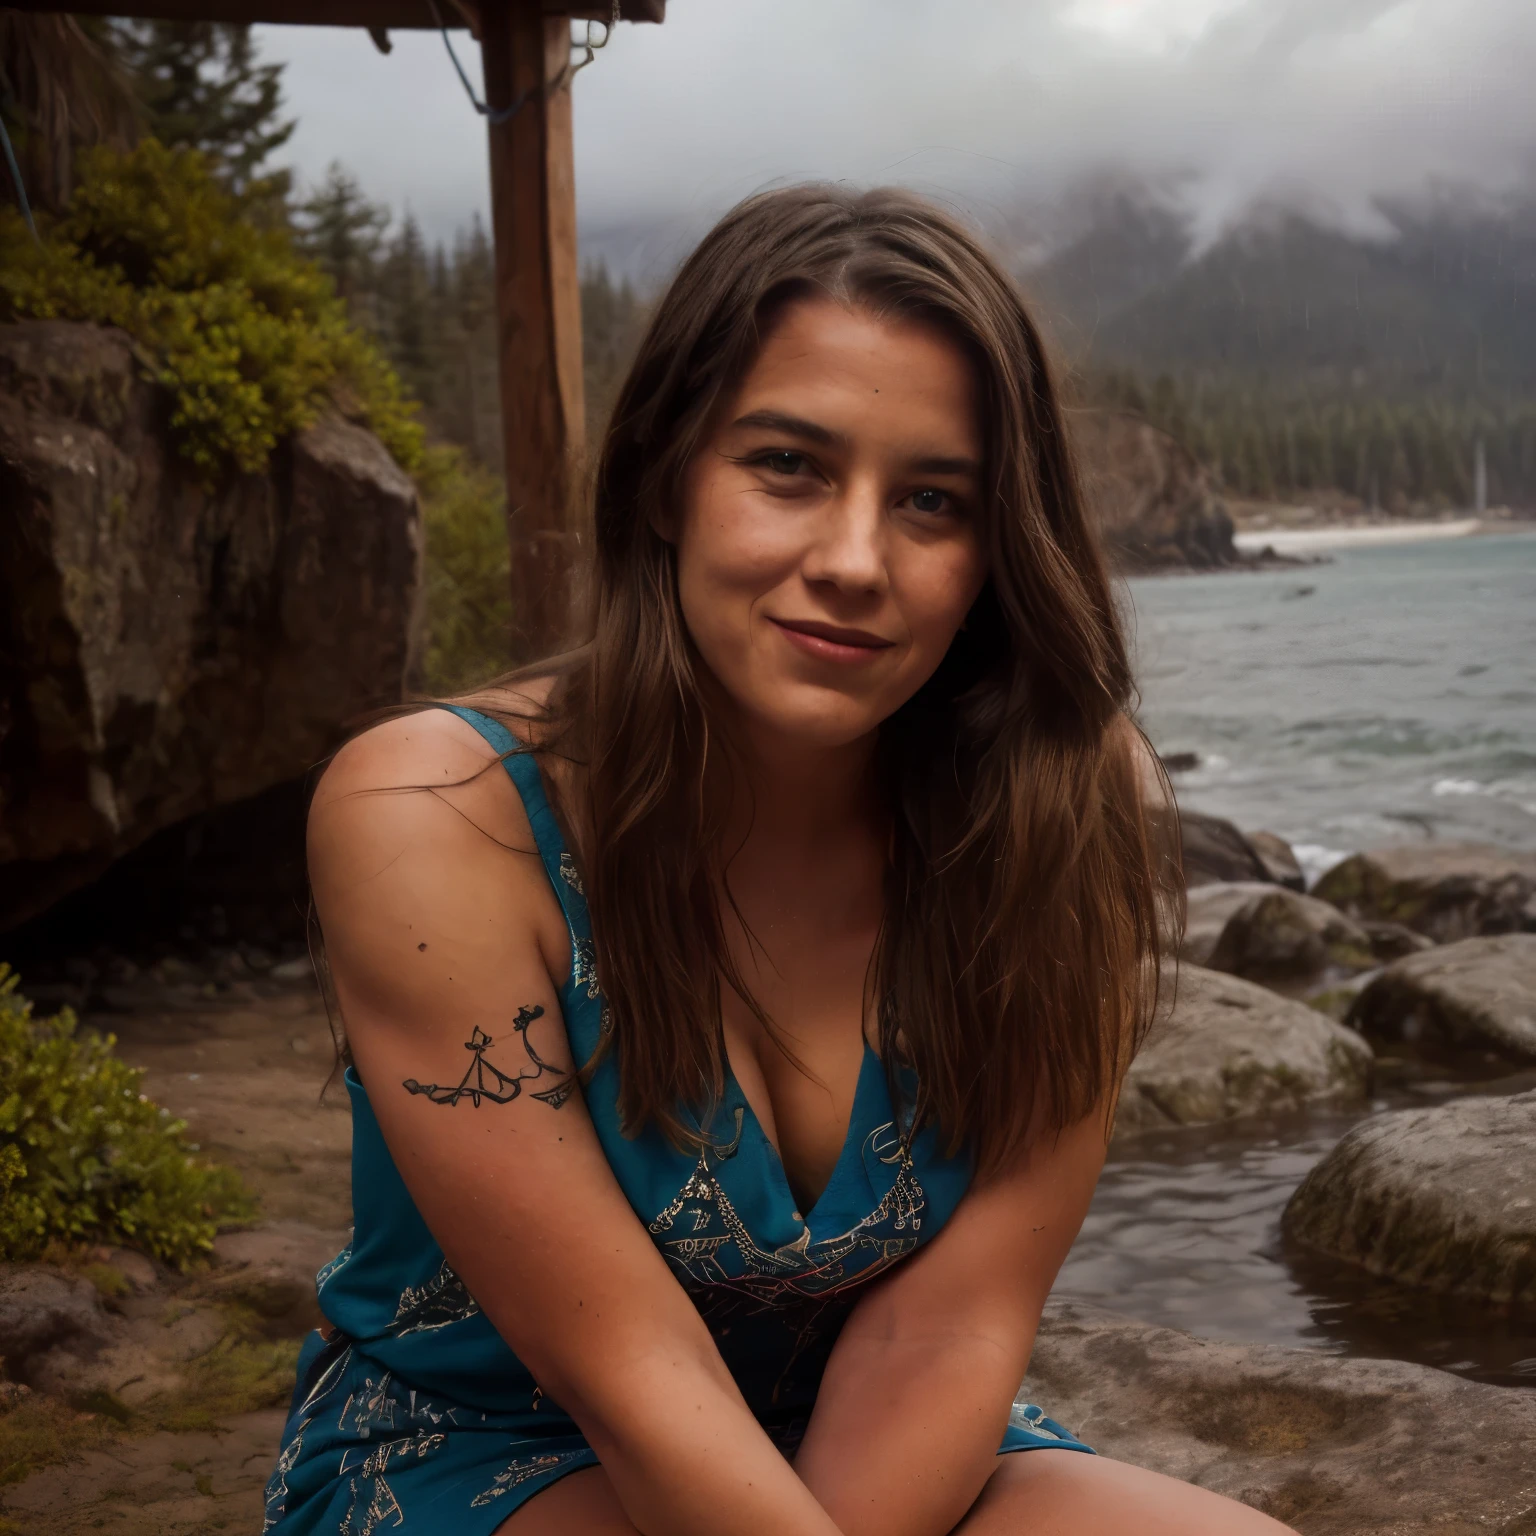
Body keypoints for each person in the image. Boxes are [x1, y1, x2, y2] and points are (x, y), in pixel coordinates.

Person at [264, 185, 1295, 1536]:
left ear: (997, 552)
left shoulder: (1066, 807)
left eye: (933, 500)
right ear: (664, 479)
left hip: (881, 1437)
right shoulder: (439, 813)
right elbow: (623, 1372)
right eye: (789, 467)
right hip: (500, 1441)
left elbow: (952, 1323)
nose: (856, 561)